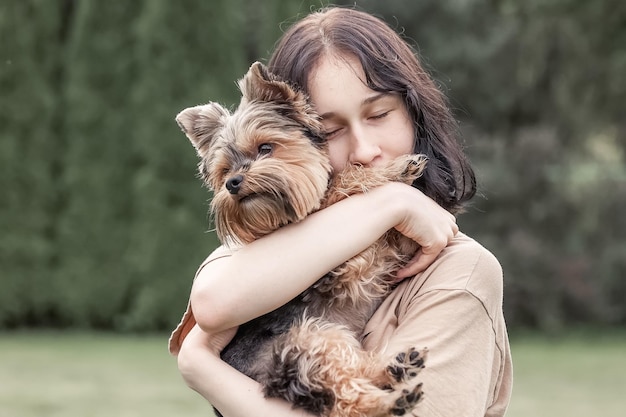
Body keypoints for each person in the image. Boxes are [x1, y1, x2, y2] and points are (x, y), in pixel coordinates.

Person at [169, 6, 513, 417]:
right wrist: (392, 200)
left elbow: (207, 336)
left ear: (416, 114)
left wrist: (203, 368)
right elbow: (213, 303)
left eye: (380, 114)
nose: (365, 151)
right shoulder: (260, 240)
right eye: (330, 131)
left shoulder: (461, 274)